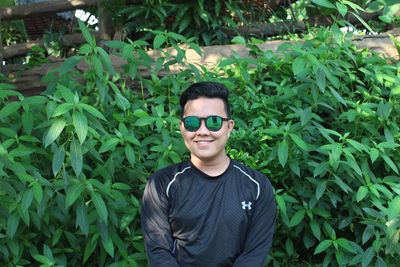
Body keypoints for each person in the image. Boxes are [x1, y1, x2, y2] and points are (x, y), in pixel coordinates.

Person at [141, 81, 277, 267]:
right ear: (182, 128)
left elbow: (253, 256)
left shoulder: (257, 186)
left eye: (213, 122)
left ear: (229, 127)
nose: (202, 131)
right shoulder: (162, 184)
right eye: (192, 123)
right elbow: (159, 253)